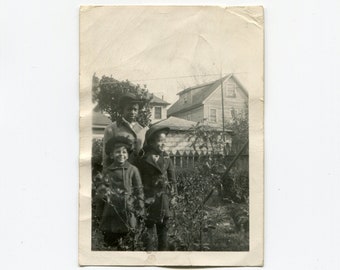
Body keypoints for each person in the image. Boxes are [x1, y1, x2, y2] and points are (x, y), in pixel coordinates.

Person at [95, 136, 145, 248]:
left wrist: (140, 209)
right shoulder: (107, 171)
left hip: (128, 209)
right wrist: (99, 212)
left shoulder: (133, 170)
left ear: (127, 154)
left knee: (129, 240)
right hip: (111, 211)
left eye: (124, 152)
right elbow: (101, 193)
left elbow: (139, 191)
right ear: (112, 155)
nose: (121, 154)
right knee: (111, 241)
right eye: (118, 152)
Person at [139, 126, 177, 251]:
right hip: (148, 199)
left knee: (163, 229)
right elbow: (138, 181)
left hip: (163, 200)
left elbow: (172, 180)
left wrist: (174, 196)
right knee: (148, 231)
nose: (163, 144)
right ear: (150, 142)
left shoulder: (166, 159)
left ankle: (163, 254)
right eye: (160, 141)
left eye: (164, 141)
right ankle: (148, 256)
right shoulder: (143, 160)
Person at [102, 92, 148, 169]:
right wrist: (106, 173)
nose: (132, 112)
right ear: (122, 110)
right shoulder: (112, 128)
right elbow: (106, 155)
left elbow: (147, 151)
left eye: (135, 109)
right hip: (119, 171)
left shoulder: (144, 129)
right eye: (129, 109)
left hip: (140, 171)